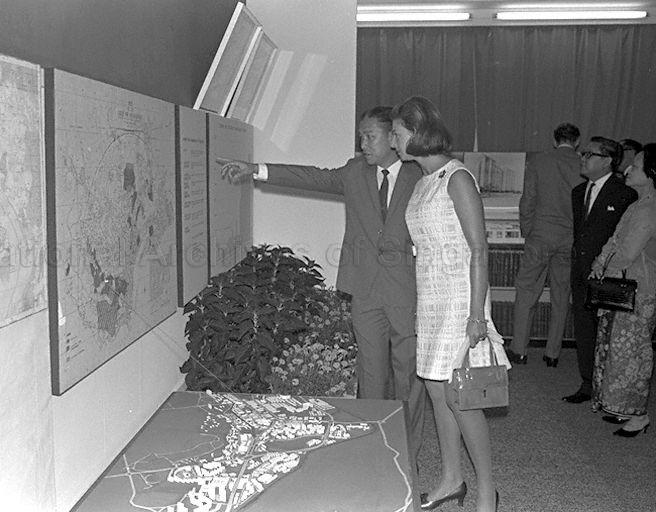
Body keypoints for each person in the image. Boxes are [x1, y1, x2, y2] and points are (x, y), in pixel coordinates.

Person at [220, 106, 427, 461]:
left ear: (393, 139)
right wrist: (258, 170)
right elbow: (311, 177)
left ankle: (408, 451)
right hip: (364, 289)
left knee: (409, 373)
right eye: (360, 136)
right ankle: (374, 449)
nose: (362, 143)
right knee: (371, 372)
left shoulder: (417, 175)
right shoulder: (353, 172)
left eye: (370, 136)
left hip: (405, 290)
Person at [392, 96, 509, 512]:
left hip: (461, 300)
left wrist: (477, 314)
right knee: (436, 393)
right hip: (432, 299)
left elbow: (479, 249)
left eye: (397, 133)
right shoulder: (423, 180)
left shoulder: (457, 177)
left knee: (462, 398)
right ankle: (451, 479)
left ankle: (485, 491)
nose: (393, 141)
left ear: (420, 133)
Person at [563, 137, 637, 404]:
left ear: (607, 160)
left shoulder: (624, 193)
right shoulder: (578, 191)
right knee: (584, 329)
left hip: (608, 275)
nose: (583, 158)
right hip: (581, 272)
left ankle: (609, 388)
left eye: (589, 154)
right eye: (583, 154)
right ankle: (587, 383)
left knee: (608, 333)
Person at [590, 143, 656, 436]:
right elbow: (614, 240)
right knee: (617, 350)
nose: (628, 169)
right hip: (624, 286)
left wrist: (604, 266)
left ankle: (638, 414)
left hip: (639, 291)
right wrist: (599, 260)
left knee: (633, 354)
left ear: (652, 173)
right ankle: (621, 407)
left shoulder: (649, 209)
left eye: (637, 166)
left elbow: (628, 250)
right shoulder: (637, 204)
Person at [508, 123, 584, 367]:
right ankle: (553, 354)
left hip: (540, 235)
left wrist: (527, 231)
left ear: (554, 140)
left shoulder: (539, 162)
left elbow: (528, 200)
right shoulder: (582, 164)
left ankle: (519, 350)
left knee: (526, 293)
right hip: (569, 237)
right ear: (577, 141)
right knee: (562, 297)